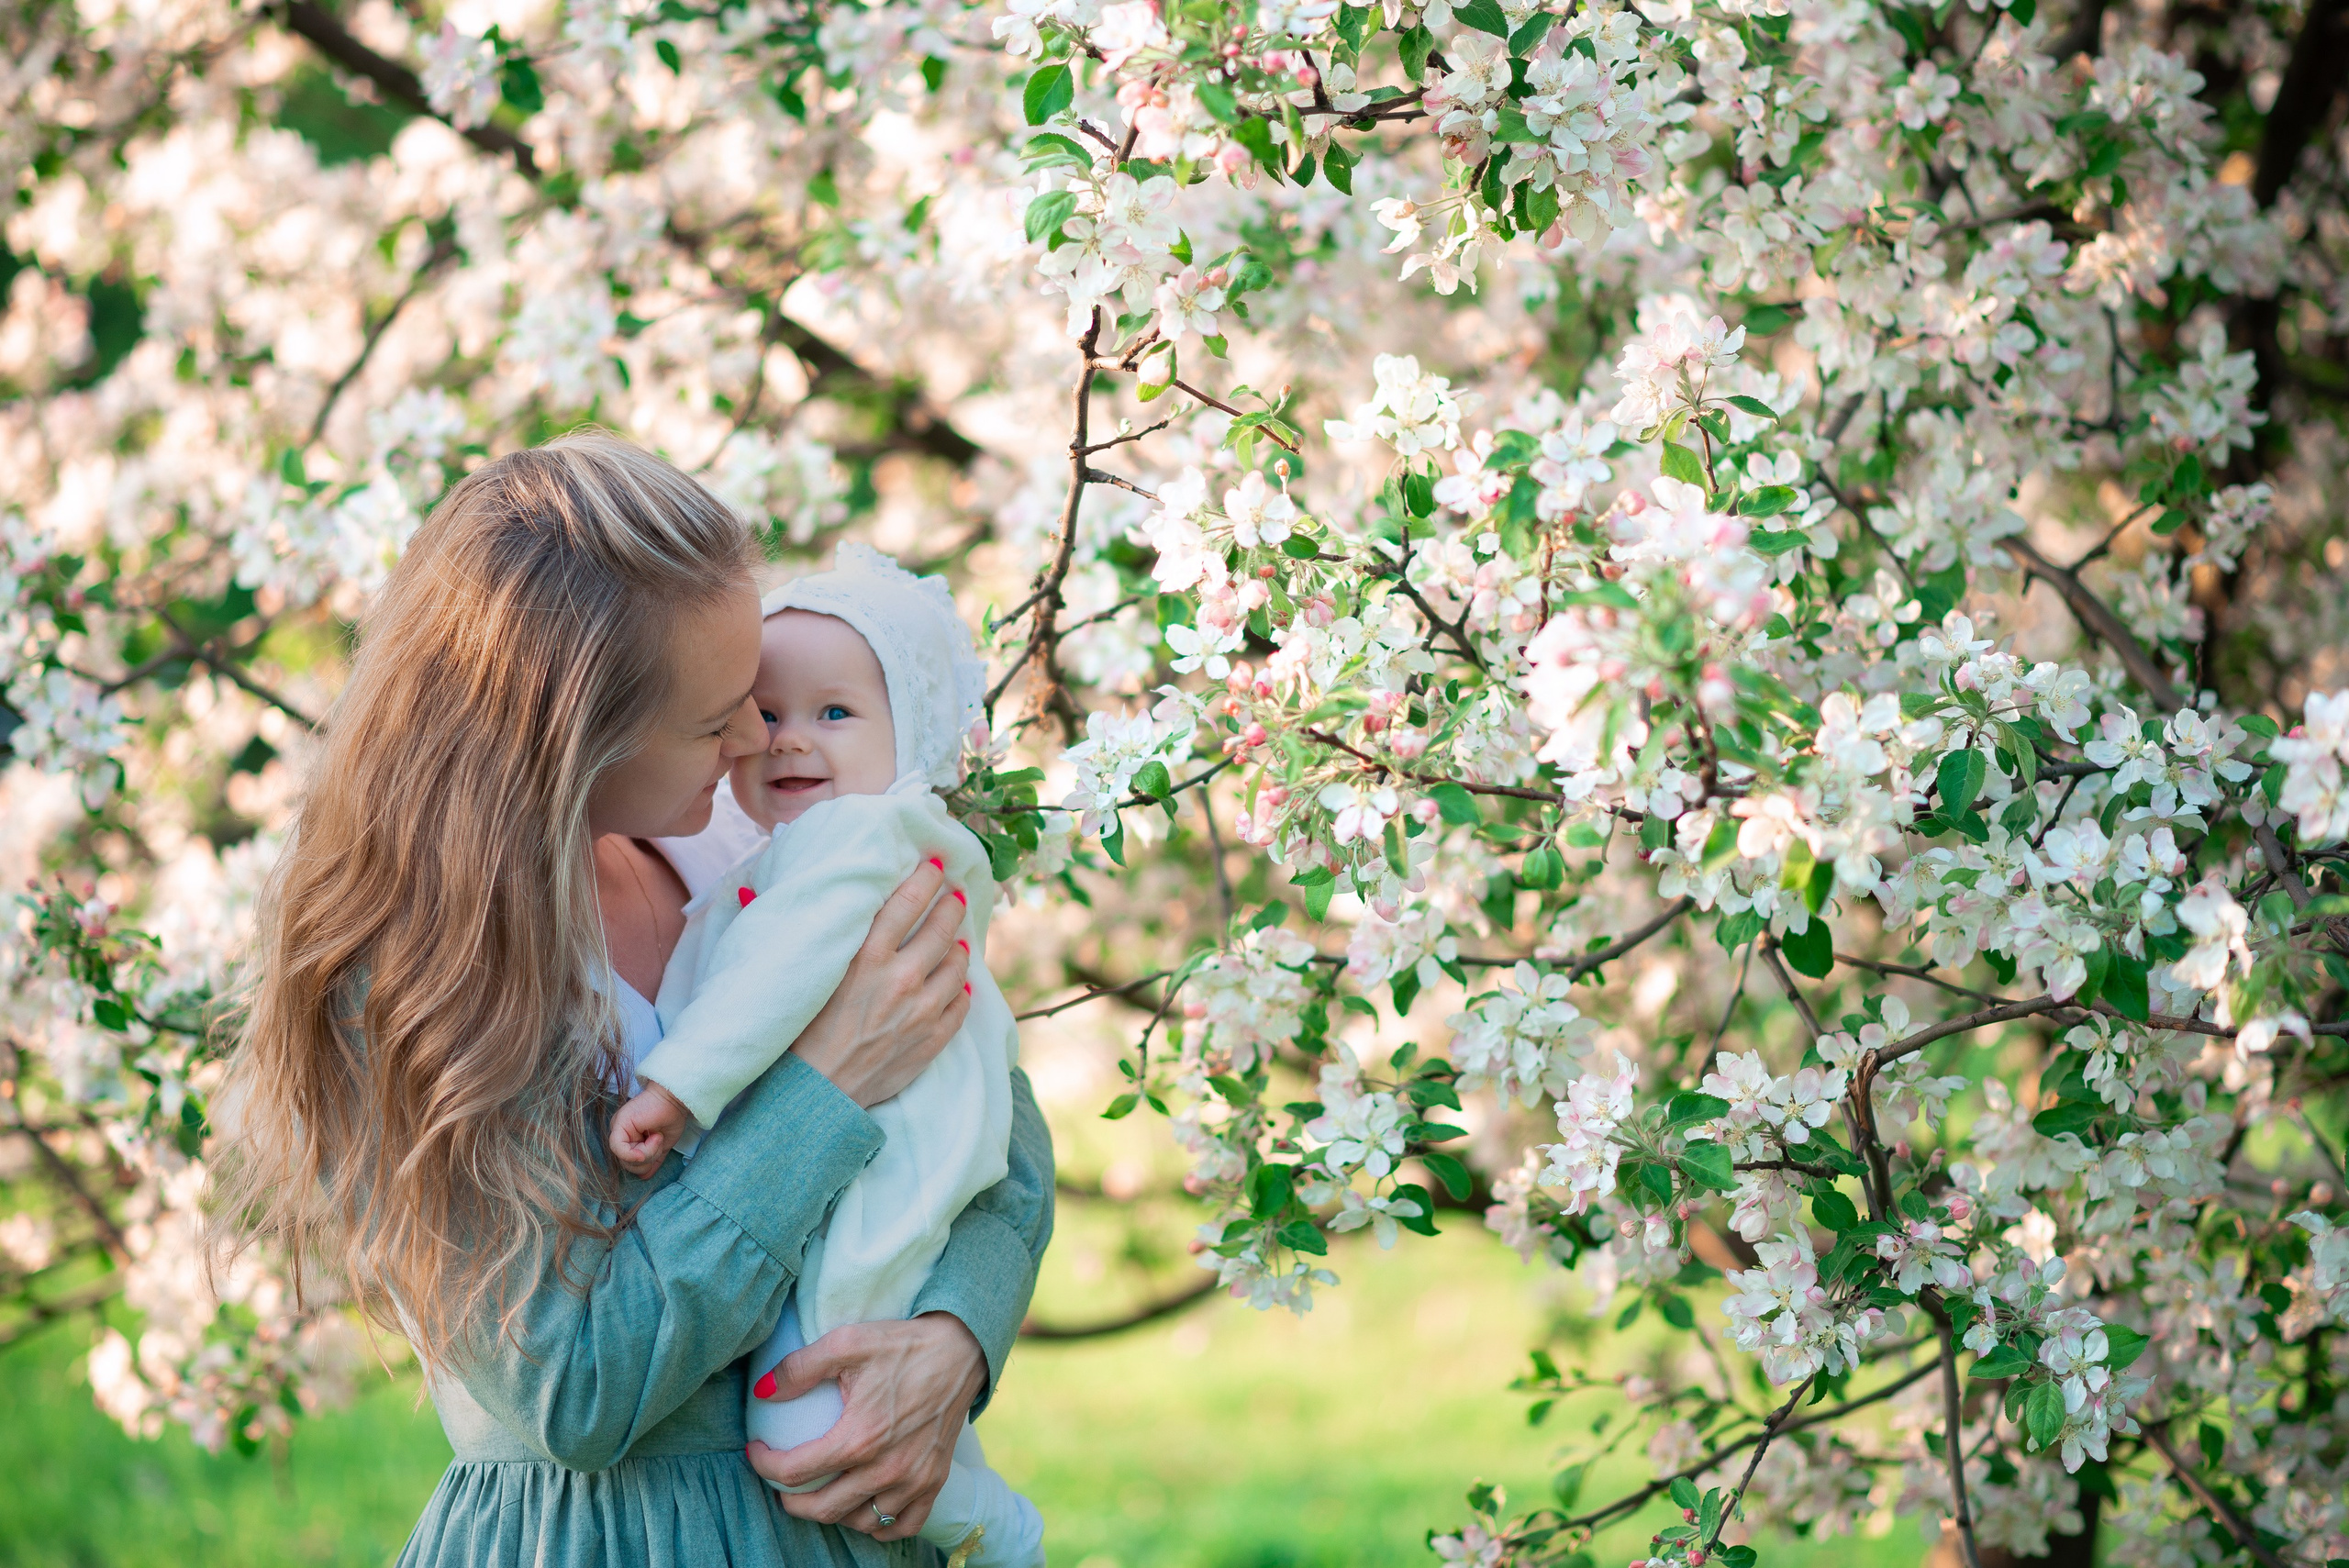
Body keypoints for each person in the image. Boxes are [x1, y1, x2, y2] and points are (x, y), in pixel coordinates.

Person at [212, 430, 1052, 1567]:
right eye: (717, 719)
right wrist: (823, 1088)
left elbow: (999, 1122)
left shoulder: (749, 855)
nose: (760, 737)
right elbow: (577, 1387)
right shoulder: (408, 980)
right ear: (572, 740)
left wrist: (957, 1334)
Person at [607, 544, 1043, 1568]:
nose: (780, 739)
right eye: (763, 711)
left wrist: (681, 1083)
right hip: (857, 1162)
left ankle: (990, 1520)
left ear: (915, 739)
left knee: (817, 1403)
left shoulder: (855, 840)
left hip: (889, 1160)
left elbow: (775, 976)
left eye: (835, 713)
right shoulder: (774, 843)